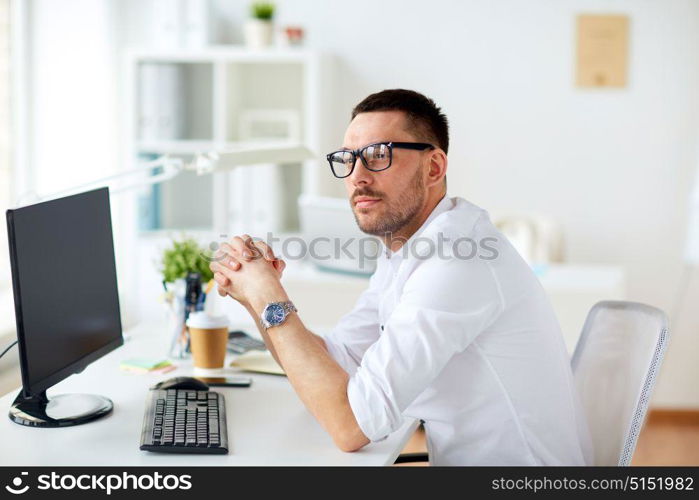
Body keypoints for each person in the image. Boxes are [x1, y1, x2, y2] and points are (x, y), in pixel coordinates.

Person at [210, 89, 592, 465]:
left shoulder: (457, 259)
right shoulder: (406, 249)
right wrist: (256, 298)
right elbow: (338, 361)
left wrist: (269, 297)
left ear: (434, 167)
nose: (357, 176)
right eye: (347, 159)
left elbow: (350, 426)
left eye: (378, 155)